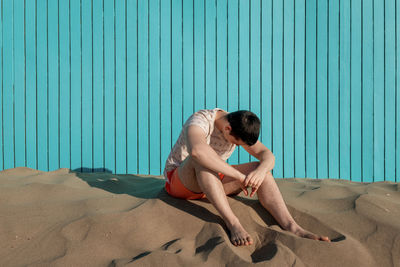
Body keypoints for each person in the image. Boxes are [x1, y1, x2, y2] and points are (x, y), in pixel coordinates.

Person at [163, 108, 330, 246]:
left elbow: (267, 155)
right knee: (201, 160)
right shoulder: (200, 121)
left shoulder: (238, 125)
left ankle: (292, 227)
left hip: (212, 184)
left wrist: (260, 171)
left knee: (261, 168)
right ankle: (233, 223)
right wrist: (238, 176)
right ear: (228, 129)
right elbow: (197, 151)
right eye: (237, 143)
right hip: (181, 182)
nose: (236, 146)